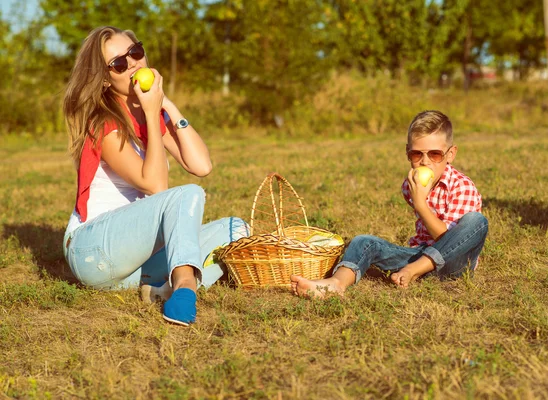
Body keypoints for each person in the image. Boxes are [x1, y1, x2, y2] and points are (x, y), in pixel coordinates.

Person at [62, 26, 249, 326]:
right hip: (91, 250)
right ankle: (185, 284)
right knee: (186, 194)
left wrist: (165, 105)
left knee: (236, 231)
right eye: (119, 63)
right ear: (106, 81)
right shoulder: (104, 125)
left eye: (135, 52)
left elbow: (202, 165)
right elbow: (157, 186)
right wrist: (151, 113)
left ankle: (158, 288)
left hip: (128, 262)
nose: (133, 63)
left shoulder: (147, 114)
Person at [291, 110, 488, 297]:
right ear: (407, 153)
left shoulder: (461, 187)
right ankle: (336, 284)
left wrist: (421, 205)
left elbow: (449, 241)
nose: (425, 162)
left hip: (455, 265)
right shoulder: (411, 185)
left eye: (435, 154)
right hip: (419, 255)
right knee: (363, 241)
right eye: (417, 154)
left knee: (476, 221)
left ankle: (413, 270)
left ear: (450, 154)